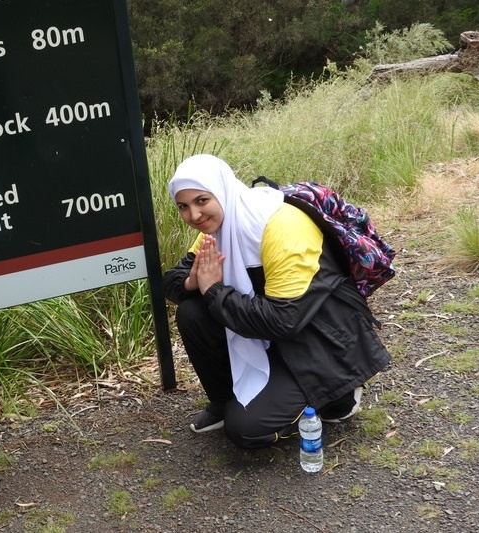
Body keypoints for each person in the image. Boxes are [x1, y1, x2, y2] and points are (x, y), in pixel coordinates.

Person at [162, 154, 390, 449]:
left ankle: (339, 393)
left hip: (319, 339)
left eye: (201, 200)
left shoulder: (280, 224)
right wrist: (194, 282)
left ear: (222, 190)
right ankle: (225, 401)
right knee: (192, 311)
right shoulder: (222, 226)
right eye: (183, 206)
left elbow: (283, 320)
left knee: (246, 430)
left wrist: (215, 290)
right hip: (268, 335)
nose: (194, 215)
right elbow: (171, 281)